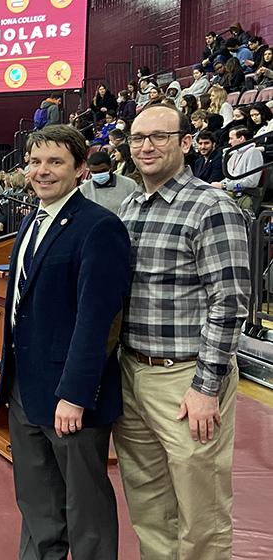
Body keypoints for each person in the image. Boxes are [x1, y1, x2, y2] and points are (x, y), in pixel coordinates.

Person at [116, 104, 250, 559]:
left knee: (201, 512)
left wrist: (206, 387)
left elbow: (229, 303)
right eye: (138, 138)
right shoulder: (131, 205)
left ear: (186, 143)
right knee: (149, 506)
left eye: (159, 136)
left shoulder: (212, 206)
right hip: (133, 372)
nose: (146, 146)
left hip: (186, 379)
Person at [0, 125, 131, 560]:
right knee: (37, 506)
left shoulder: (99, 227)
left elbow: (97, 321)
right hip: (24, 390)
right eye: (35, 162)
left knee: (85, 509)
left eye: (55, 162)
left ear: (79, 170)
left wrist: (74, 394)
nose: (43, 171)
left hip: (70, 399)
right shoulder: (32, 222)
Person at [211, 126, 264, 210]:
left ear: (241, 138)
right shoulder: (234, 154)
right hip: (232, 192)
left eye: (231, 138)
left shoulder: (254, 152)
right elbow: (229, 178)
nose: (229, 142)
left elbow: (252, 182)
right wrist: (216, 185)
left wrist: (224, 185)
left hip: (244, 194)